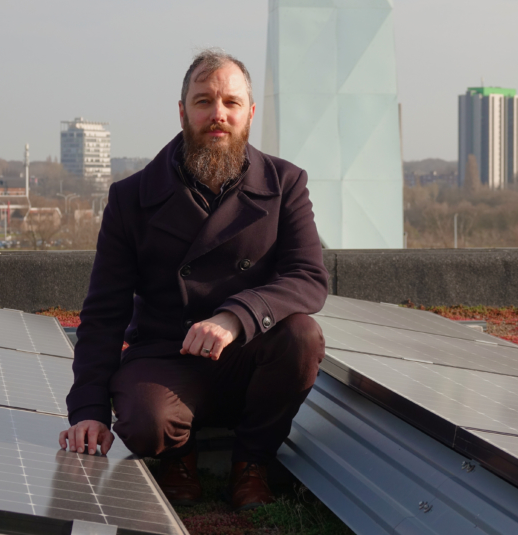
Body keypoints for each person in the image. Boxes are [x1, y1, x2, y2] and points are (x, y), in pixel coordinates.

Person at [59, 50, 328, 511]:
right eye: (203, 101)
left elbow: (308, 277)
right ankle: (177, 457)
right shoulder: (131, 198)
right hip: (166, 355)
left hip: (249, 353)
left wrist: (236, 316)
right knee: (145, 423)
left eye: (231, 102)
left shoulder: (286, 183)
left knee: (302, 336)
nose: (217, 114)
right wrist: (88, 411)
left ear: (249, 113)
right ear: (182, 111)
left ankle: (252, 463)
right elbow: (104, 314)